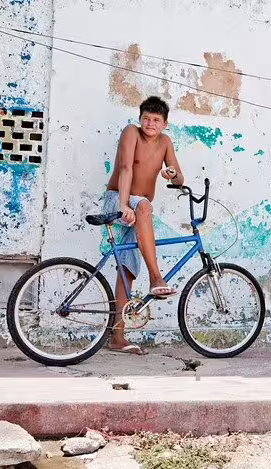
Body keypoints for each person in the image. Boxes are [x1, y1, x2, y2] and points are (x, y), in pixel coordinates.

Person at [101, 96, 184, 355]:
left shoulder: (165, 142)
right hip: (118, 199)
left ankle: (118, 337)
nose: (150, 123)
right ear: (140, 119)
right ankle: (156, 277)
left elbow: (179, 177)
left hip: (138, 211)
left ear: (165, 124)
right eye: (146, 118)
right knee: (145, 206)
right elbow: (126, 168)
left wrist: (172, 174)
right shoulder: (131, 133)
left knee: (127, 271)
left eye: (156, 120)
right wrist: (125, 205)